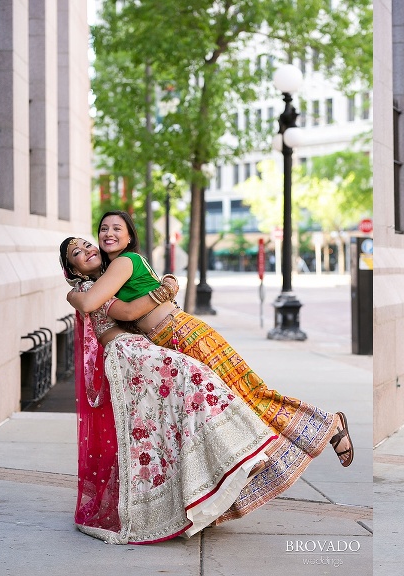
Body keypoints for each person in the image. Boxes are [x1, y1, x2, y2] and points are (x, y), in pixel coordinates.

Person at [66, 212, 353, 524]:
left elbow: (113, 306)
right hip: (167, 340)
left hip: (183, 333)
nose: (108, 234)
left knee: (246, 395)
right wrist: (162, 290)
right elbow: (119, 308)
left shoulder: (124, 262)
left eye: (116, 229)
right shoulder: (110, 272)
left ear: (129, 235)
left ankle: (326, 424)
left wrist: (163, 291)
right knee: (210, 411)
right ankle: (223, 484)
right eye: (103, 229)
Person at [61, 237, 278, 543]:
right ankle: (235, 455)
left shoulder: (110, 281)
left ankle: (218, 470)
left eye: (86, 245)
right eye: (77, 253)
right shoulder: (82, 290)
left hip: (137, 351)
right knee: (195, 377)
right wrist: (165, 290)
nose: (87, 251)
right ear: (73, 268)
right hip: (127, 354)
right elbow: (121, 312)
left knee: (167, 423)